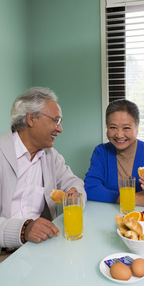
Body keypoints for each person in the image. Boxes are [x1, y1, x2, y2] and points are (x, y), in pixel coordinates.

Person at [0, 87, 87, 256]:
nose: (60, 129)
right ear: (31, 118)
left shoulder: (50, 156)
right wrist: (23, 230)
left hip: (40, 248)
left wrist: (75, 194)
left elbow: (74, 182)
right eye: (56, 120)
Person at [84, 99, 144, 208]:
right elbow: (90, 189)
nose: (119, 135)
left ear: (137, 128)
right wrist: (131, 199)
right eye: (113, 127)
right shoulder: (101, 152)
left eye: (126, 128)